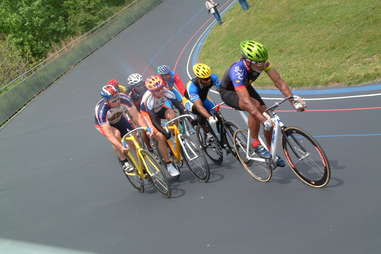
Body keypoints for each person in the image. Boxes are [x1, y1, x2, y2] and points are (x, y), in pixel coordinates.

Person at [219, 40, 306, 167]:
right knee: (255, 108)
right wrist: (261, 118)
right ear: (248, 61)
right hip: (230, 92)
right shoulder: (237, 70)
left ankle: (271, 152)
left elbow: (279, 82)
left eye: (264, 61)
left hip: (246, 86)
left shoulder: (263, 63)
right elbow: (246, 101)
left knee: (268, 115)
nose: (263, 65)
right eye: (259, 63)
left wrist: (293, 100)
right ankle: (255, 143)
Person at [140, 75, 188, 177]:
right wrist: (162, 131)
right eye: (157, 90)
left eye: (161, 88)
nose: (160, 91)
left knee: (171, 113)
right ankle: (168, 164)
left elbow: (178, 104)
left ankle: (175, 137)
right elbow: (153, 119)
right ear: (151, 91)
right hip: (148, 115)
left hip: (159, 108)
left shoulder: (165, 91)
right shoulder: (148, 99)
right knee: (161, 137)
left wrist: (185, 113)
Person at [94, 84, 148, 173]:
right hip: (105, 125)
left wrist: (145, 128)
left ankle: (141, 166)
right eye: (114, 100)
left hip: (119, 119)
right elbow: (109, 135)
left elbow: (137, 117)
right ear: (107, 101)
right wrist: (121, 147)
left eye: (118, 98)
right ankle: (124, 161)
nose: (118, 101)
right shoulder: (101, 111)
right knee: (116, 135)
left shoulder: (124, 99)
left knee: (133, 138)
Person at [185, 63, 221, 141]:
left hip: (203, 98)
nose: (208, 80)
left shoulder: (213, 78)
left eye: (209, 77)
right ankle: (207, 133)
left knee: (217, 113)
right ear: (199, 78)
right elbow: (198, 105)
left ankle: (223, 134)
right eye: (205, 79)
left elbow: (222, 90)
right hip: (191, 102)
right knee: (201, 114)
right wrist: (210, 117)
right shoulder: (192, 87)